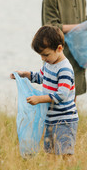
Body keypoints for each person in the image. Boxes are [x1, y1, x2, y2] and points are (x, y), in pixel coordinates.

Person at [10, 25, 78, 159]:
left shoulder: (64, 69)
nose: (42, 58)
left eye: (45, 54)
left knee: (65, 154)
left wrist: (39, 99)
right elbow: (41, 77)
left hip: (64, 120)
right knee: (50, 153)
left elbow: (62, 94)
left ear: (59, 48)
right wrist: (24, 74)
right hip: (51, 119)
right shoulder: (49, 64)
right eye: (40, 55)